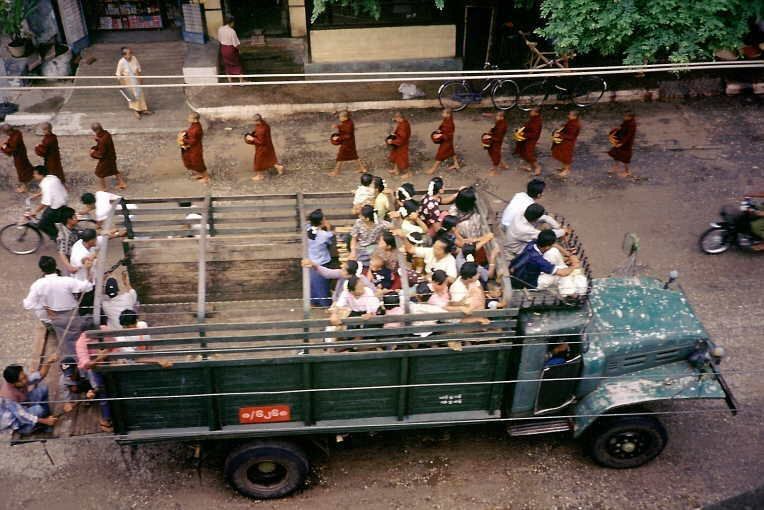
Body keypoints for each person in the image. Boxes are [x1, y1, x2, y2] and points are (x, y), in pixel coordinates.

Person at [23, 256, 92, 350]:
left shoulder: (38, 284)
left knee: (64, 340)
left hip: (55, 317)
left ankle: (69, 359)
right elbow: (87, 287)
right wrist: (88, 270)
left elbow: (28, 304)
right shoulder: (66, 281)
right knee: (77, 339)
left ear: (42, 269)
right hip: (71, 315)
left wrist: (45, 307)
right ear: (55, 266)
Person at [0, 360, 59, 435]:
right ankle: (29, 428)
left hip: (22, 404)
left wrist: (48, 362)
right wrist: (45, 421)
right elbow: (22, 415)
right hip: (17, 421)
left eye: (24, 376)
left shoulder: (19, 379)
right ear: (13, 384)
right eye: (22, 379)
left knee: (43, 389)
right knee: (39, 409)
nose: (26, 379)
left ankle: (47, 416)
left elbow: (39, 376)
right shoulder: (8, 397)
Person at [509, 229, 579, 289]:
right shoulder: (539, 261)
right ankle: (569, 295)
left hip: (521, 273)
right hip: (531, 283)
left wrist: (568, 254)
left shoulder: (532, 244)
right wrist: (574, 266)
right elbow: (563, 273)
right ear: (547, 247)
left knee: (554, 251)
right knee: (559, 276)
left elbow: (554, 245)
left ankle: (564, 266)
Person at [301, 258, 376, 304]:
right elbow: (327, 273)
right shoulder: (341, 274)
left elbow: (373, 290)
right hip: (340, 303)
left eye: (344, 269)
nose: (341, 269)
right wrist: (314, 265)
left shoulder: (361, 280)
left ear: (349, 273)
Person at [305, 209, 336, 307]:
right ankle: (325, 303)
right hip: (321, 261)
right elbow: (331, 237)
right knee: (322, 285)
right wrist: (328, 227)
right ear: (321, 221)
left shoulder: (308, 228)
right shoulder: (324, 235)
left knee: (313, 283)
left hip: (311, 259)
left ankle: (314, 302)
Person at [29, 166, 67, 240]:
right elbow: (51, 190)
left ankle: (59, 239)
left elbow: (46, 202)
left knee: (42, 224)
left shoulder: (46, 184)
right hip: (63, 201)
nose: (33, 175)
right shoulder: (52, 177)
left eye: (35, 174)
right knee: (46, 217)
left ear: (41, 175)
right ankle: (60, 234)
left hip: (57, 206)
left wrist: (35, 211)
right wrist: (38, 194)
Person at [245, 114, 284, 181]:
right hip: (268, 146)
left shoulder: (261, 130)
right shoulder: (264, 124)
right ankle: (279, 167)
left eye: (254, 121)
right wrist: (253, 133)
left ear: (257, 121)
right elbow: (261, 135)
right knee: (268, 159)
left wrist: (252, 138)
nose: (254, 123)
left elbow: (261, 142)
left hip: (262, 148)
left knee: (258, 161)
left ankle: (259, 176)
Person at [115, 47, 152, 119]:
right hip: (128, 81)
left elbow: (138, 68)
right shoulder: (121, 62)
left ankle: (143, 109)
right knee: (133, 96)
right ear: (124, 55)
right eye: (129, 53)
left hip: (136, 78)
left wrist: (140, 78)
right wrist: (122, 84)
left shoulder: (134, 58)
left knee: (140, 94)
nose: (131, 55)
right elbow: (118, 74)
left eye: (131, 53)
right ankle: (136, 111)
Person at [329, 110, 366, 177]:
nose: (339, 119)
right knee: (354, 156)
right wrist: (337, 126)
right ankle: (362, 168)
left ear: (345, 118)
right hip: (350, 143)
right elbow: (343, 127)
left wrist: (338, 138)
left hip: (347, 144)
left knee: (340, 157)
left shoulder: (349, 124)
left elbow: (347, 135)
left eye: (340, 117)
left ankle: (336, 172)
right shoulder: (349, 122)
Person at [90, 123, 126, 191]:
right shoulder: (106, 134)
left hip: (106, 159)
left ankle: (104, 188)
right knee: (114, 170)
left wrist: (92, 153)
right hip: (111, 156)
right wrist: (98, 140)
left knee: (100, 173)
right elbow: (103, 143)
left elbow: (101, 154)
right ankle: (122, 183)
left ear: (96, 130)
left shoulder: (103, 140)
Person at [1, 123, 34, 192]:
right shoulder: (16, 133)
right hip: (21, 152)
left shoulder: (15, 137)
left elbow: (12, 149)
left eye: (6, 133)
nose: (6, 135)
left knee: (21, 169)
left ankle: (24, 186)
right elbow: (10, 141)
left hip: (19, 155)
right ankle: (32, 175)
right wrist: (6, 144)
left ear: (8, 131)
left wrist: (3, 147)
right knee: (26, 165)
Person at [427, 108, 460, 174]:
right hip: (447, 140)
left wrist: (440, 136)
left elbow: (449, 135)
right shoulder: (446, 119)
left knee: (440, 154)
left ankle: (433, 169)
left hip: (447, 141)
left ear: (448, 114)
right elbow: (442, 127)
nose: (442, 114)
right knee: (451, 151)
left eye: (443, 113)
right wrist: (439, 130)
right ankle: (456, 164)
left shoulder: (450, 124)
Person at [180, 112, 209, 184]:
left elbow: (193, 141)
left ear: (195, 119)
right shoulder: (194, 125)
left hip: (196, 148)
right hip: (192, 148)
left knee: (198, 162)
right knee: (191, 160)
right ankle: (199, 174)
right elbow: (190, 132)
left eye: (189, 118)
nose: (188, 119)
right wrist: (185, 132)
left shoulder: (196, 129)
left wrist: (183, 139)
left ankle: (206, 177)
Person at [551, 111, 581, 178]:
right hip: (565, 141)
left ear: (575, 116)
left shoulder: (575, 124)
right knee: (562, 155)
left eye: (570, 115)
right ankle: (564, 168)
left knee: (566, 156)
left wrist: (560, 135)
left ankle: (567, 170)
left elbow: (571, 136)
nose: (568, 116)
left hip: (568, 142)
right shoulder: (572, 121)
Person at [514, 107, 543, 176]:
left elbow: (534, 134)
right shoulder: (533, 119)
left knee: (529, 153)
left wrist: (523, 134)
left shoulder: (537, 121)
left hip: (531, 139)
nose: (530, 112)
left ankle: (537, 167)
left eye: (532, 111)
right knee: (523, 151)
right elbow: (528, 126)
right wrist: (520, 130)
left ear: (536, 113)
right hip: (527, 137)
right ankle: (529, 166)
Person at [608, 111, 637, 178]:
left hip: (627, 143)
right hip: (622, 140)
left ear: (630, 117)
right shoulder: (626, 122)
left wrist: (622, 143)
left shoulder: (632, 125)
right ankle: (615, 168)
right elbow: (622, 128)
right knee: (617, 154)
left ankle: (627, 171)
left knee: (625, 157)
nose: (624, 117)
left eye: (626, 116)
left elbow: (628, 136)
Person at [218, 17, 244, 83]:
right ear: (231, 22)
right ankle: (241, 81)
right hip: (230, 50)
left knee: (227, 64)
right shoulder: (232, 31)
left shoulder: (220, 29)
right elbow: (235, 44)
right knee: (237, 64)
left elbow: (220, 40)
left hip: (223, 49)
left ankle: (230, 82)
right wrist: (240, 50)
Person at [56, 207, 80, 275]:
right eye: (74, 216)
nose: (77, 217)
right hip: (72, 262)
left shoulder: (74, 226)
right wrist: (70, 267)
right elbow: (62, 253)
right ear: (69, 220)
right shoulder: (64, 236)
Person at [388, 112, 411, 178]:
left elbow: (402, 139)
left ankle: (408, 173)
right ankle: (396, 170)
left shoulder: (403, 126)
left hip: (402, 144)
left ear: (399, 118)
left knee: (403, 159)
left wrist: (392, 141)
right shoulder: (403, 122)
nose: (395, 120)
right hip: (398, 143)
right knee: (395, 156)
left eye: (396, 118)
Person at [485, 110, 509, 176]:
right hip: (495, 140)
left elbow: (498, 137)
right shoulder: (499, 122)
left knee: (495, 154)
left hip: (496, 141)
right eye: (497, 116)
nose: (496, 117)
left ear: (502, 117)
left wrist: (489, 137)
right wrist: (491, 131)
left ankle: (495, 171)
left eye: (498, 116)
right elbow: (495, 129)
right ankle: (503, 165)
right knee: (495, 153)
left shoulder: (502, 126)